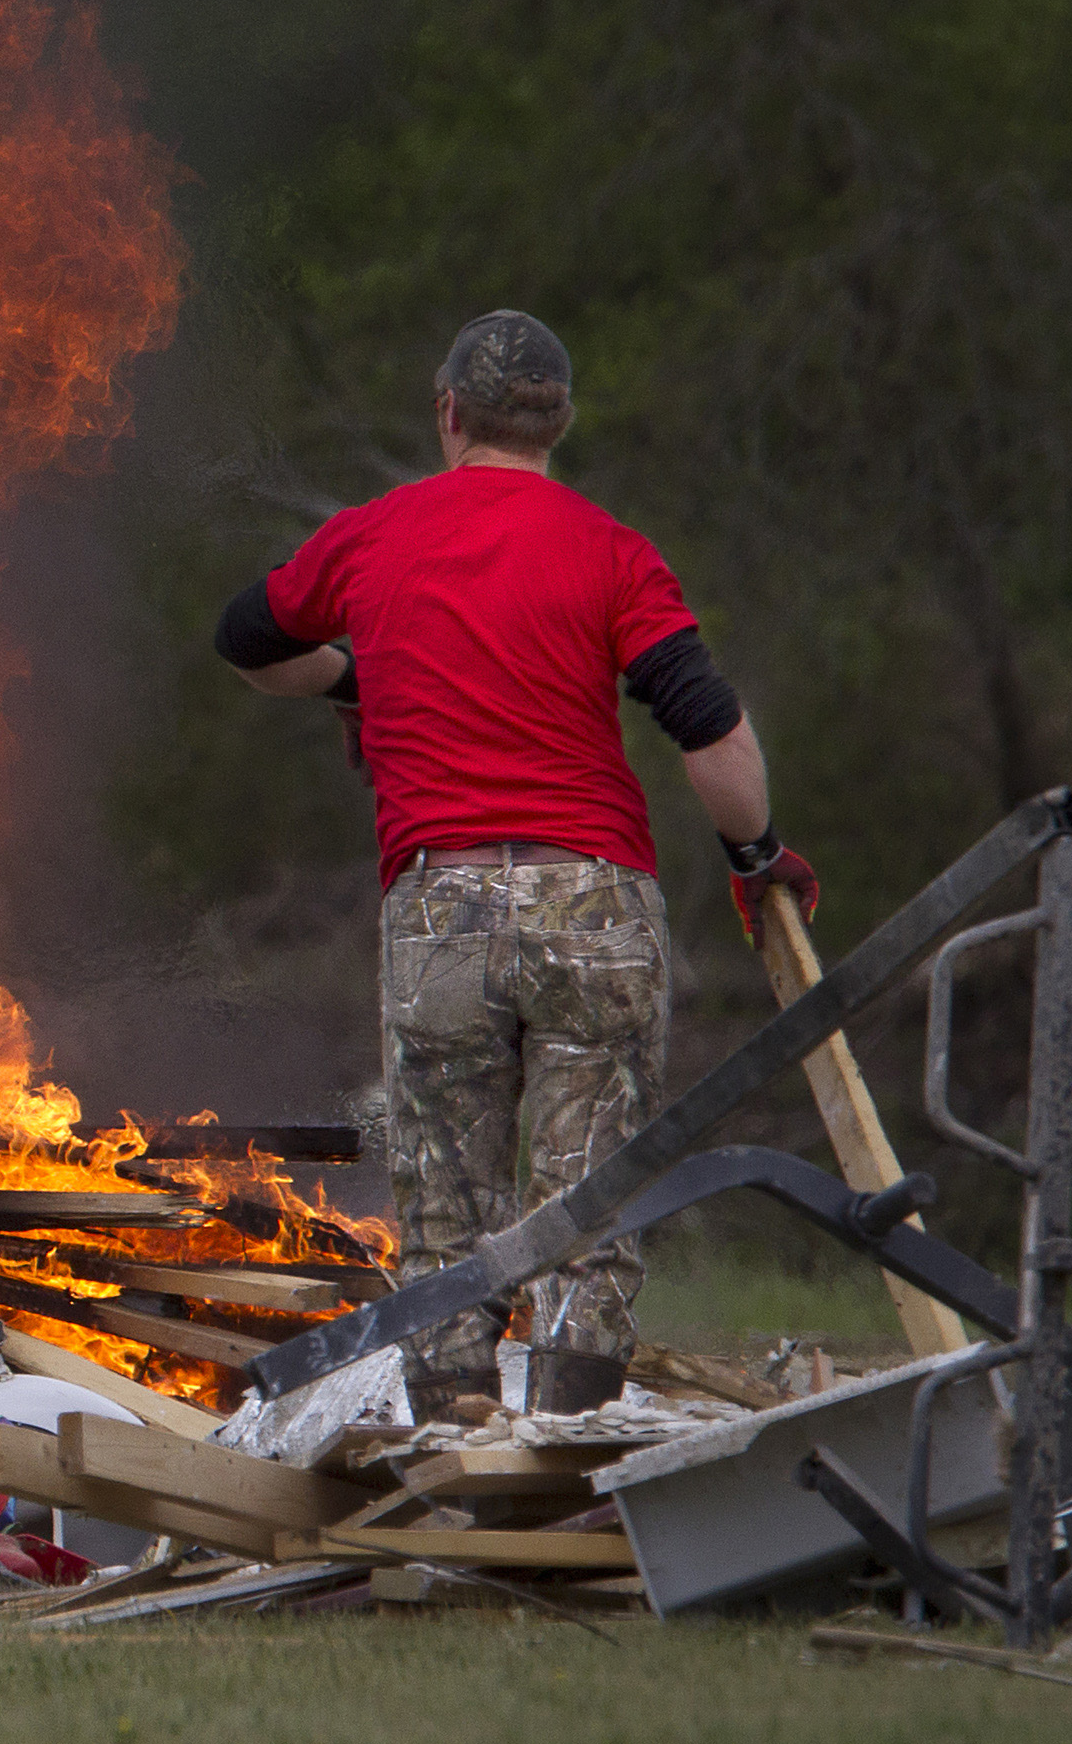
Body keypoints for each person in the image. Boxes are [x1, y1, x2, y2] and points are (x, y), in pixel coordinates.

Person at [211, 311, 819, 1414]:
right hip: (590, 900)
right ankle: (570, 1456)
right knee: (592, 1200)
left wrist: (360, 673)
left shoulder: (369, 536)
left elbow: (245, 640)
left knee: (445, 1210)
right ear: (558, 422)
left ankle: (450, 1463)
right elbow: (709, 730)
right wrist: (754, 855)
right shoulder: (607, 547)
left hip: (439, 907)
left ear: (447, 413)